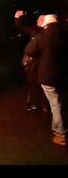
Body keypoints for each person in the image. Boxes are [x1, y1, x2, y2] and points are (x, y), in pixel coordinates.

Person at [25, 14, 68, 146]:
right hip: (61, 73)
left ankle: (60, 133)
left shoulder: (43, 35)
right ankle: (55, 127)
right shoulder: (64, 34)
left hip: (47, 75)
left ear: (47, 23)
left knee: (55, 104)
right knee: (57, 101)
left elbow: (29, 50)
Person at [14, 10, 47, 111]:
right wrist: (16, 17)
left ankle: (44, 104)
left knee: (43, 84)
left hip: (43, 62)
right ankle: (33, 103)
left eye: (40, 20)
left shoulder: (49, 32)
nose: (38, 21)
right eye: (38, 19)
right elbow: (21, 27)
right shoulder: (34, 29)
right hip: (32, 63)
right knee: (32, 83)